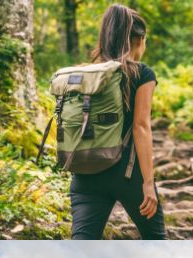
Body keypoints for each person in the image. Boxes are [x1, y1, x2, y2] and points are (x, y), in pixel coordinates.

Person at [69, 4, 165, 239]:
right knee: (157, 241)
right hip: (126, 173)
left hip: (85, 172)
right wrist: (148, 183)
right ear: (139, 40)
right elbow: (141, 127)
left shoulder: (86, 74)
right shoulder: (141, 73)